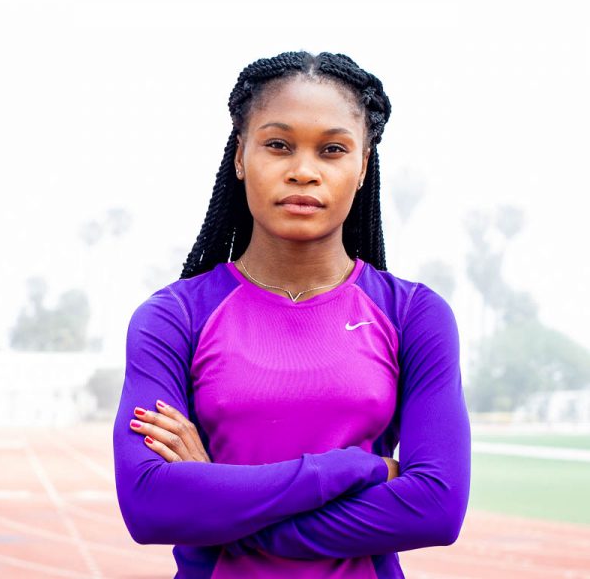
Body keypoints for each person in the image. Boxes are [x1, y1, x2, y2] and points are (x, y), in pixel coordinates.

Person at [111, 50, 471, 578]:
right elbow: (148, 504)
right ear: (240, 156)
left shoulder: (414, 315)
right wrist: (356, 469)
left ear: (363, 165)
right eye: (278, 145)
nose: (304, 172)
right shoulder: (174, 317)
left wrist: (216, 500)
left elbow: (435, 509)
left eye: (332, 150)